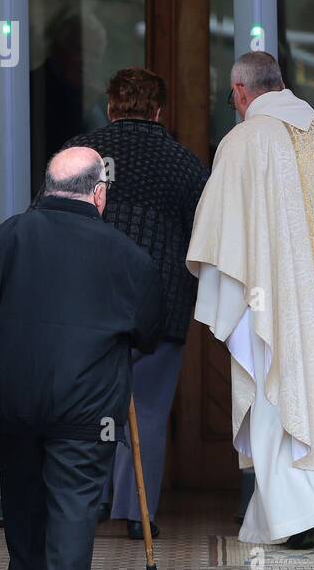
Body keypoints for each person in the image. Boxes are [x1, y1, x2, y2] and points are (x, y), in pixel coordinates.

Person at [0, 147, 161, 570]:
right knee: (75, 499)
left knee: (19, 476)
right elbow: (148, 334)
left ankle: (25, 568)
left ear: (46, 188)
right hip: (88, 405)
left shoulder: (0, 241)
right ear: (99, 194)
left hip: (12, 394)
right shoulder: (130, 257)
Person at [186, 52, 314, 549]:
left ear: (240, 92)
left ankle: (291, 518)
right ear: (280, 83)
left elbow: (218, 233)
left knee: (273, 393)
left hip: (271, 307)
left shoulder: (243, 142)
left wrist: (225, 292)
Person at [66, 68, 210, 539]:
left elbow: (50, 217)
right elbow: (206, 233)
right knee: (147, 409)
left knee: (88, 407)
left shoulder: (80, 155)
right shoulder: (183, 164)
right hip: (160, 301)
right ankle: (137, 513)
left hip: (90, 301)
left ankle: (88, 502)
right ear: (158, 111)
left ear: (110, 107)